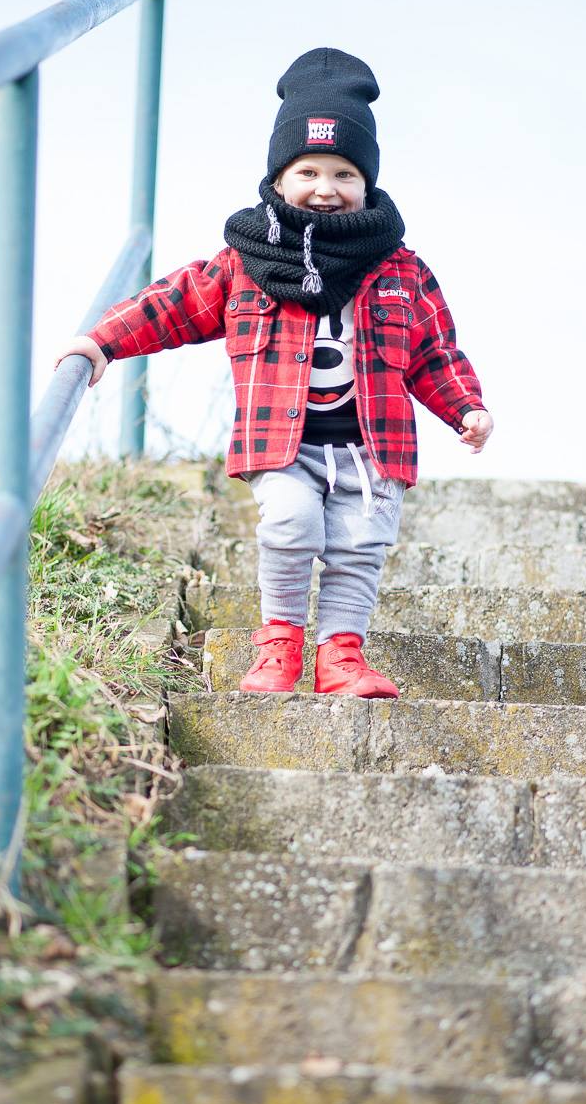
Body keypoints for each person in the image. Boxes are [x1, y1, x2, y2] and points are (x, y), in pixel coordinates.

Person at [55, 48, 492, 699]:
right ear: (279, 179)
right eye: (307, 171)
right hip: (283, 444)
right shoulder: (248, 260)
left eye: (344, 173)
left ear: (368, 183)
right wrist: (101, 342)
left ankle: (341, 656)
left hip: (372, 448)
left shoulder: (400, 268)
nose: (326, 187)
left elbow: (434, 351)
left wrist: (465, 407)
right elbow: (174, 303)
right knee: (290, 524)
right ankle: (280, 644)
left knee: (358, 545)